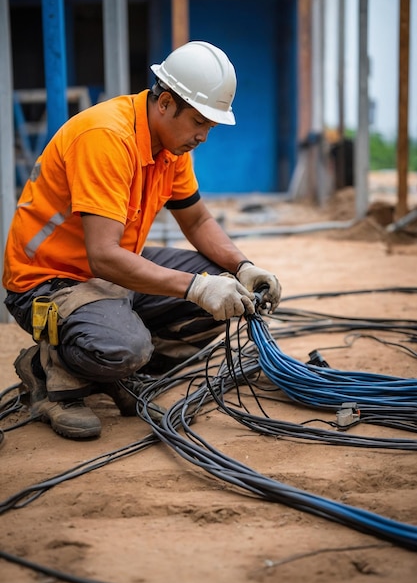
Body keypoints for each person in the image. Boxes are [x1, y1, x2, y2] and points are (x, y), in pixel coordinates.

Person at [2, 40, 281, 440]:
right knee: (127, 346)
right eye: (199, 122)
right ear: (165, 102)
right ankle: (50, 373)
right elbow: (103, 257)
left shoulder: (171, 145)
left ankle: (107, 368)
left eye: (210, 126)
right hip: (48, 281)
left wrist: (243, 267)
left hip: (110, 274)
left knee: (226, 287)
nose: (204, 136)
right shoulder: (107, 137)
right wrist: (196, 288)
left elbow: (198, 220)